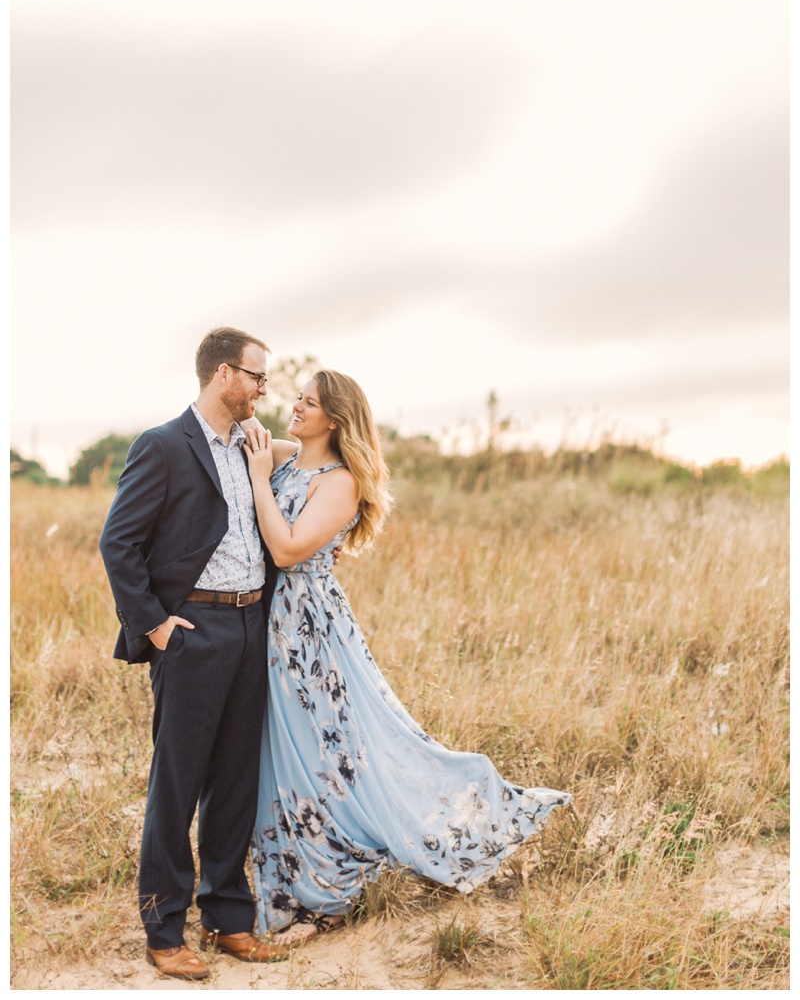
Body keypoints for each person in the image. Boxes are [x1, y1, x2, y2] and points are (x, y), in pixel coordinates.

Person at [242, 370, 572, 948]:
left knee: (323, 748)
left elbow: (288, 549)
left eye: (309, 402)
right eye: (296, 396)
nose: (295, 406)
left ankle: (330, 884)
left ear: (336, 419)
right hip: (270, 623)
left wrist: (257, 481)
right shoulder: (292, 458)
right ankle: (291, 866)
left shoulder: (339, 481)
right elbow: (246, 431)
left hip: (308, 629)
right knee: (281, 749)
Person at [99, 327, 292, 980]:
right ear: (223, 376)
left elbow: (318, 453)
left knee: (236, 779)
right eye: (258, 377)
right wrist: (154, 626)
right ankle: (164, 929)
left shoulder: (254, 445)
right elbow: (117, 543)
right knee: (177, 785)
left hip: (249, 627)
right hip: (192, 631)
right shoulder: (162, 446)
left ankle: (228, 918)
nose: (265, 389)